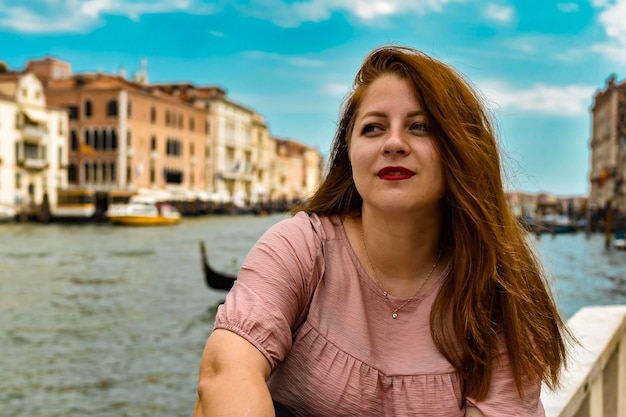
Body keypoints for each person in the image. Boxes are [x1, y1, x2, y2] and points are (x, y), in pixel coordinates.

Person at [193, 45, 570, 416]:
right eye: (373, 128)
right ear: (350, 153)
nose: (393, 143)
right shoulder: (301, 246)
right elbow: (225, 372)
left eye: (419, 127)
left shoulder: (498, 290)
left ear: (460, 150)